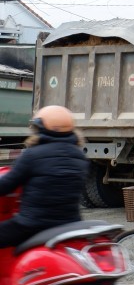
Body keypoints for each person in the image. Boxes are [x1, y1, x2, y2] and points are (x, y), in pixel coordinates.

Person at [0, 105, 89, 248]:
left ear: (41, 129)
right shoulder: (79, 156)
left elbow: (5, 185)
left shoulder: (32, 155)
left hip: (32, 225)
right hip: (70, 223)